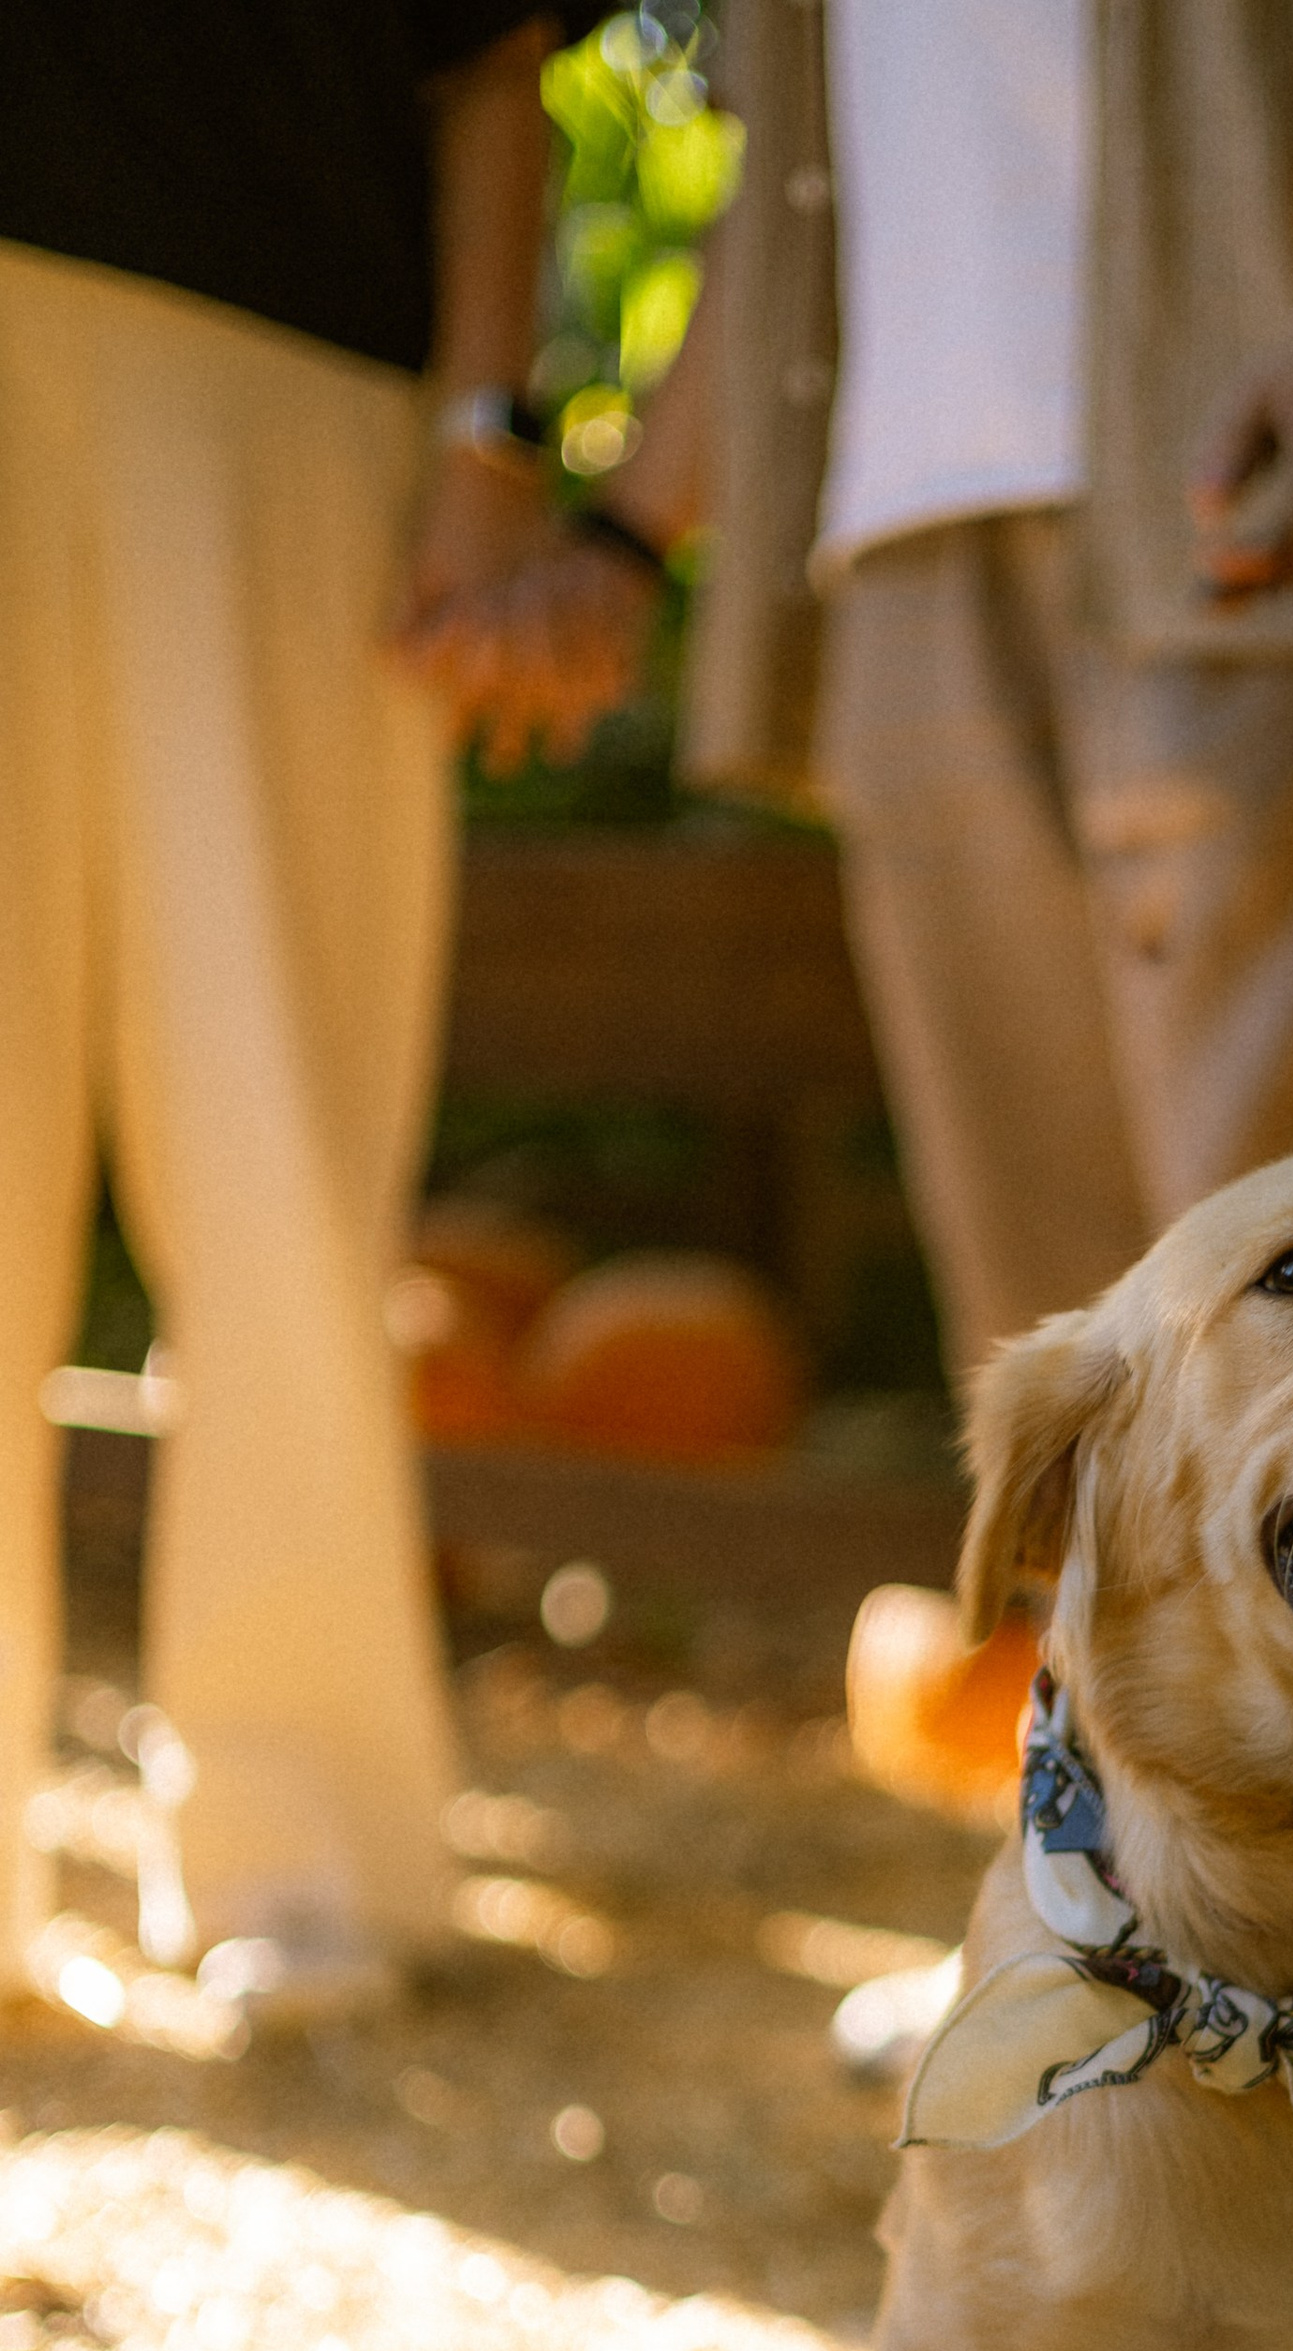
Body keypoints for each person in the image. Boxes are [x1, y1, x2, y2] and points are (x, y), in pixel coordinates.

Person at [611, 0, 1293, 1844]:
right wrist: (623, 535)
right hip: (902, 533)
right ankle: (1117, 1930)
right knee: (1067, 1336)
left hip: (1255, 482)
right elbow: (790, 180)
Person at [0, 10, 652, 2018]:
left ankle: (302, 1836)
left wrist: (486, 440)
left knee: (277, 1122)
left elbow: (486, 58)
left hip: (295, 375)